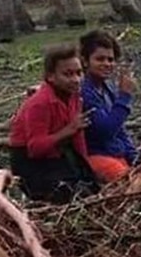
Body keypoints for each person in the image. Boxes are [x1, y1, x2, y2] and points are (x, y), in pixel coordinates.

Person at [9, 45, 98, 203]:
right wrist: (69, 130)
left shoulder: (74, 96)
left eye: (79, 73)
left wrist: (87, 167)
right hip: (31, 161)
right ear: (51, 76)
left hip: (59, 152)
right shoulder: (39, 104)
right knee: (65, 194)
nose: (76, 79)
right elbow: (35, 148)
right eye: (68, 74)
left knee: (91, 186)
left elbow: (78, 138)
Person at [79, 30, 138, 183]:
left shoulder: (107, 87)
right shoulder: (84, 91)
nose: (107, 64)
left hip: (115, 153)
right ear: (85, 61)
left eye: (110, 60)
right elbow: (105, 130)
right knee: (133, 185)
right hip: (96, 155)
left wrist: (134, 156)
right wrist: (124, 96)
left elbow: (120, 130)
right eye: (100, 59)